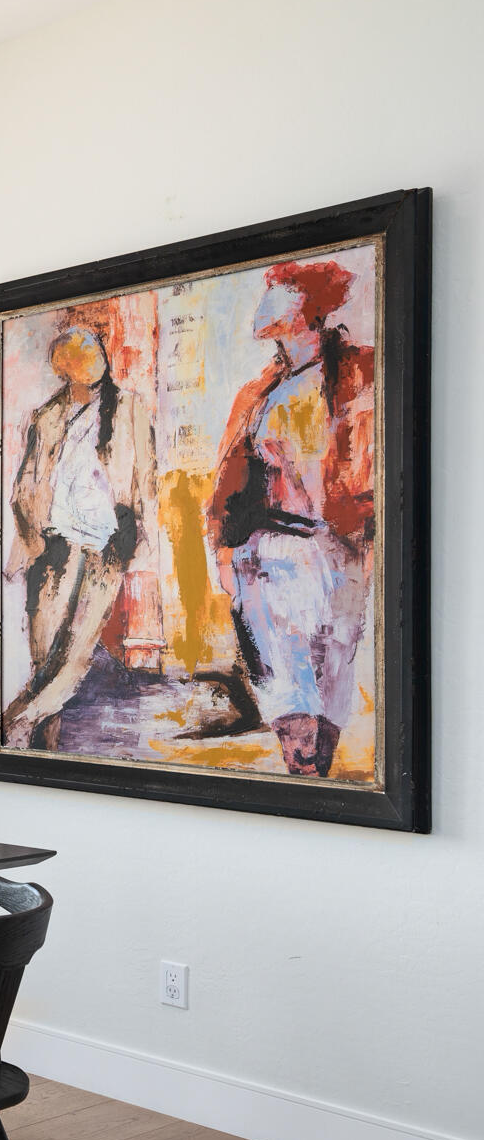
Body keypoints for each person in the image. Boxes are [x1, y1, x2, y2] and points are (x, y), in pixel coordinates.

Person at [205, 259, 375, 777]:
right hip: (268, 556)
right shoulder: (257, 393)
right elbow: (228, 483)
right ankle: (302, 776)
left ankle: (316, 784)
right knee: (284, 685)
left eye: (278, 290)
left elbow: (374, 470)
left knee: (331, 684)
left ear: (306, 304)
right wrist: (224, 549)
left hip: (337, 549)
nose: (264, 302)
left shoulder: (359, 373)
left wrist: (369, 544)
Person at [2, 326, 159, 750]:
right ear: (64, 369)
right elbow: (26, 484)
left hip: (105, 547)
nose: (89, 370)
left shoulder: (128, 409)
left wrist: (138, 535)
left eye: (93, 361)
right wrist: (31, 536)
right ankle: (42, 746)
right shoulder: (47, 417)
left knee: (75, 655)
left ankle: (13, 723)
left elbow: (146, 479)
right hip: (52, 546)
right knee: (46, 658)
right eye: (78, 364)